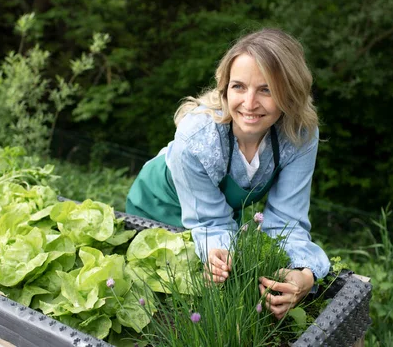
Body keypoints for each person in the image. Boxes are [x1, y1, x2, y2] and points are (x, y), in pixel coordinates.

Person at [126, 28, 330, 319]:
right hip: (157, 202)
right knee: (159, 293)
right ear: (224, 88)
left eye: (266, 89)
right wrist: (217, 252)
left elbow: (287, 221)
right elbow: (210, 222)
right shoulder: (196, 136)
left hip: (215, 211)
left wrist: (303, 274)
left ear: (290, 92)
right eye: (238, 87)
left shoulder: (299, 134)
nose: (249, 104)